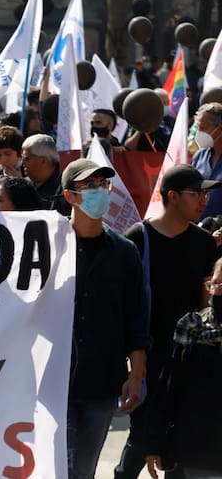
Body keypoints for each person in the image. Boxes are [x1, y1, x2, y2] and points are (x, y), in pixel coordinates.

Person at [114, 164, 218, 479]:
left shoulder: (203, 242)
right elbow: (125, 304)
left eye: (205, 194)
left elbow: (206, 302)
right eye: (196, 194)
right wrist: (134, 363)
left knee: (180, 441)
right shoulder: (138, 238)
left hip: (188, 357)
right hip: (148, 357)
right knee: (142, 436)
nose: (204, 201)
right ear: (173, 196)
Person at [60, 158, 150, 479]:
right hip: (55, 381)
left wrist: (136, 374)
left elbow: (136, 317)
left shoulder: (125, 252)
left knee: (84, 469)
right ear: (70, 195)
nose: (100, 192)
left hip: (103, 381)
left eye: (103, 185)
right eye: (90, 186)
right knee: (57, 467)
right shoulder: (49, 246)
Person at [144, 258, 222, 479]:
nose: (219, 290)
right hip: (196, 447)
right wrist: (154, 442)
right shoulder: (192, 325)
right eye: (217, 283)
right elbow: (168, 385)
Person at [21, 134, 70, 215]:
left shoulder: (66, 190)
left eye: (26, 158)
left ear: (43, 160)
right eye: (22, 158)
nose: (22, 163)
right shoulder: (22, 187)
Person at [190, 102, 222, 219]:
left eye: (203, 128)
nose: (199, 133)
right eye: (198, 127)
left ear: (220, 127)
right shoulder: (199, 155)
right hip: (199, 225)